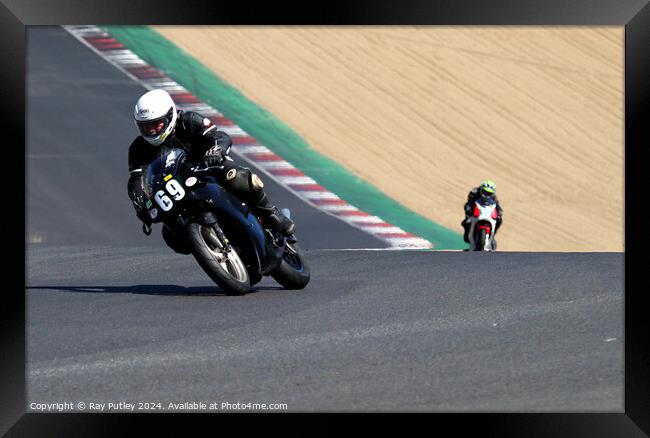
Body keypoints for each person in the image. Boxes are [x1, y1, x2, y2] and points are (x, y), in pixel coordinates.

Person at [127, 89, 294, 253]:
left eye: (157, 124)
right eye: (146, 127)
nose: (153, 130)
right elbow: (137, 179)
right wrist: (139, 202)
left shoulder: (189, 121)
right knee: (170, 236)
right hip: (177, 190)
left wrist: (215, 151)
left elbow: (219, 136)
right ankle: (211, 248)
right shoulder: (138, 149)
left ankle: (270, 214)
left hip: (209, 170)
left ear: (170, 115)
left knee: (235, 177)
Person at [461, 179, 503, 244]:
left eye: (489, 193)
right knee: (466, 222)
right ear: (481, 189)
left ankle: (492, 236)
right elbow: (469, 202)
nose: (486, 194)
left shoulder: (493, 197)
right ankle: (467, 234)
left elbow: (497, 205)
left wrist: (500, 211)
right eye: (485, 192)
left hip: (486, 211)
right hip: (475, 209)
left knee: (499, 220)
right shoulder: (474, 192)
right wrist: (468, 208)